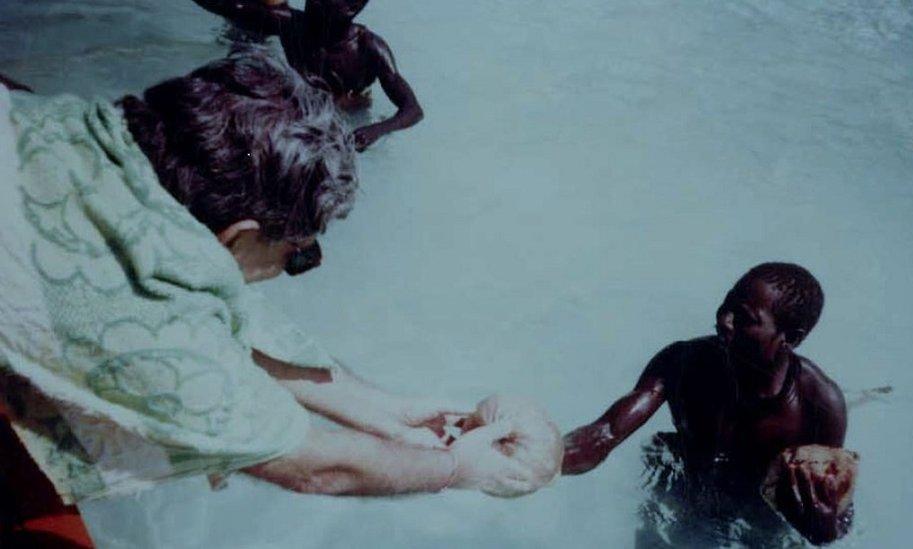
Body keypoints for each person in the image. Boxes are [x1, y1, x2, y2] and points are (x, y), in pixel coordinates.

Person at [0, 49, 536, 547]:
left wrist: (384, 411)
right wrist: (457, 470)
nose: (297, 268)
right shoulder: (141, 329)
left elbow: (198, 298)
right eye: (298, 254)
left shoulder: (67, 129)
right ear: (239, 234)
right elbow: (316, 468)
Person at [562, 263, 855, 545]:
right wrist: (544, 460)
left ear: (790, 337)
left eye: (744, 318)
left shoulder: (818, 406)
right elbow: (605, 433)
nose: (723, 321)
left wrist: (824, 526)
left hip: (759, 517)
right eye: (727, 305)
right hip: (682, 489)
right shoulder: (682, 363)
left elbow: (834, 513)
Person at [190, 0, 424, 152]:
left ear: (351, 8)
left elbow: (412, 109)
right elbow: (233, 8)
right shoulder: (292, 25)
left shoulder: (369, 48)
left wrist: (377, 130)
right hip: (302, 104)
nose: (310, 2)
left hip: (349, 117)